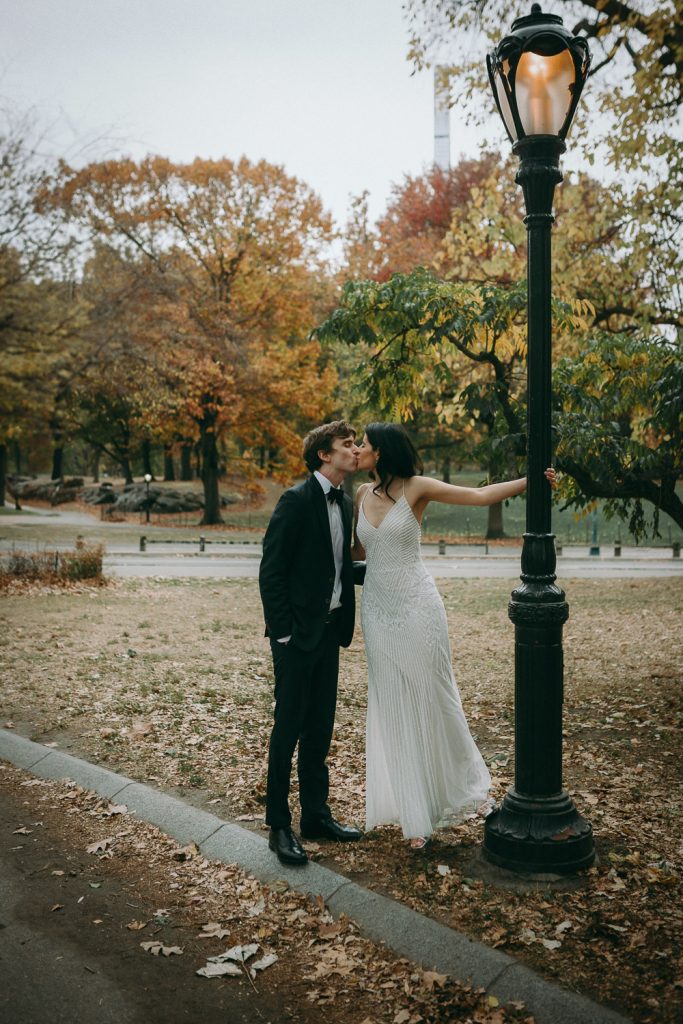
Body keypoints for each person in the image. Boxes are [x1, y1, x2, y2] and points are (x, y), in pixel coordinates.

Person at [353, 422, 556, 851]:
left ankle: (466, 789)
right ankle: (415, 817)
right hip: (377, 612)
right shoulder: (359, 495)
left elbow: (479, 496)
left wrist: (531, 481)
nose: (357, 449)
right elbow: (355, 553)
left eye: (363, 444)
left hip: (417, 607)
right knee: (393, 706)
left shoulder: (416, 488)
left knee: (434, 697)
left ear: (381, 452)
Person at [259, 420, 363, 866]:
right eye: (347, 444)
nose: (355, 450)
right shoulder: (295, 501)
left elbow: (336, 567)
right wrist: (283, 632)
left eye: (356, 444)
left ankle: (316, 816)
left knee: (320, 728)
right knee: (288, 729)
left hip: (330, 632)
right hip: (296, 637)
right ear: (324, 454)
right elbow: (272, 571)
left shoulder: (346, 501)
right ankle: (278, 826)